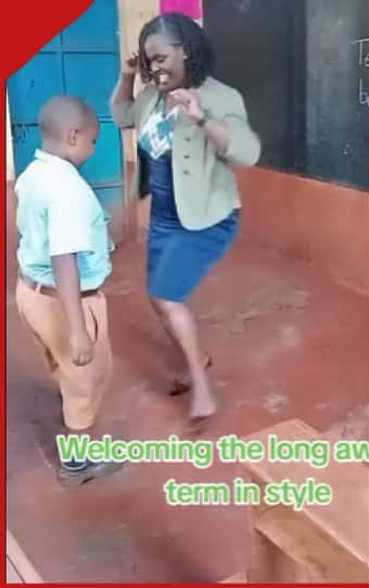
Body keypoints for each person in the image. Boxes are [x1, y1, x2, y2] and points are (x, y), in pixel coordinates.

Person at [109, 12, 261, 434]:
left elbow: (247, 152)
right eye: (148, 60)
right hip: (164, 215)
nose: (154, 68)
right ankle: (195, 363)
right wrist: (127, 77)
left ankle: (201, 387)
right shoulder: (152, 97)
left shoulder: (220, 96)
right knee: (160, 298)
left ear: (186, 50)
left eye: (160, 58)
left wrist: (200, 118)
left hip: (208, 217)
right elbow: (122, 115)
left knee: (166, 295)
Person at [14, 96, 123, 486]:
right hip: (66, 301)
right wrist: (79, 329)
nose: (94, 150)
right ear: (74, 135)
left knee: (64, 368)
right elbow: (64, 258)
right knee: (87, 379)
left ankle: (77, 437)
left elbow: (33, 232)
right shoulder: (69, 190)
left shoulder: (33, 174)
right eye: (93, 142)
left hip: (30, 293)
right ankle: (78, 465)